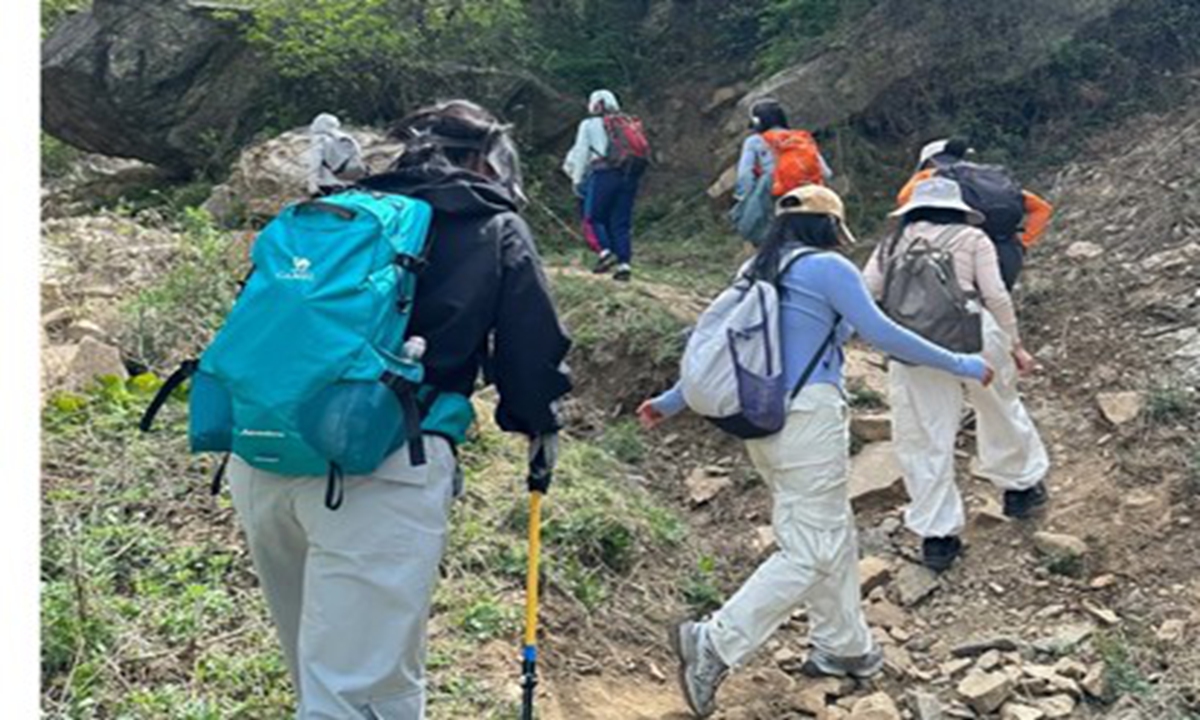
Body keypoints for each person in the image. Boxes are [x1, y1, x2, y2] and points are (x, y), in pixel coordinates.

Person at [229, 99, 572, 719]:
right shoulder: (489, 222)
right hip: (381, 464)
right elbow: (532, 350)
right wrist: (538, 424)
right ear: (486, 157)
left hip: (263, 454)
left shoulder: (341, 210)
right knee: (362, 694)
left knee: (320, 678)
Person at [637, 186, 993, 719]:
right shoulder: (828, 269)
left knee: (830, 535)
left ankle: (843, 646)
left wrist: (669, 402)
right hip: (808, 419)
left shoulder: (757, 270)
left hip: (762, 423)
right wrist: (962, 364)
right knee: (810, 547)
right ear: (830, 228)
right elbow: (884, 335)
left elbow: (723, 345)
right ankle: (715, 642)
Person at [865, 176, 1051, 573]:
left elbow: (868, 292)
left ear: (912, 210)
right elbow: (996, 295)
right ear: (958, 209)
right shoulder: (972, 238)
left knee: (923, 434)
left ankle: (938, 538)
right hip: (974, 336)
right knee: (999, 407)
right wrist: (1015, 345)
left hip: (914, 346)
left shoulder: (891, 243)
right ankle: (1020, 490)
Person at [895, 137, 1053, 290]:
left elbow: (903, 199)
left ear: (929, 161)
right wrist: (1024, 242)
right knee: (993, 304)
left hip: (957, 252)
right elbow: (1042, 208)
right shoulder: (989, 181)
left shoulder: (930, 175)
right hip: (1006, 252)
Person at [561, 89, 646, 281]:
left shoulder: (589, 124)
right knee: (620, 222)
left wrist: (576, 179)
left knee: (593, 217)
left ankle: (606, 253)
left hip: (604, 174)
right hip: (629, 175)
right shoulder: (627, 123)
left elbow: (582, 152)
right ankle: (624, 265)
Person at [306, 112, 367, 196]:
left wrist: (312, 186)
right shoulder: (348, 138)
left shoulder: (320, 140)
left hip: (328, 184)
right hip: (350, 183)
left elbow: (315, 164)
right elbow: (359, 158)